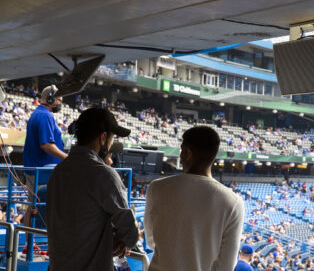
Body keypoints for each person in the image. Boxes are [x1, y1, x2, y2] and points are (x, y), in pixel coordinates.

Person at [46, 108, 138, 271]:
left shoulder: (58, 172)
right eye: (112, 138)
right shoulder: (103, 174)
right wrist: (121, 240)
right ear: (103, 137)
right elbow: (130, 233)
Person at [145, 126, 244, 271]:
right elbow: (226, 266)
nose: (180, 156)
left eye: (181, 151)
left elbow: (150, 241)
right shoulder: (233, 202)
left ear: (187, 153)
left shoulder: (157, 188)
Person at [23, 85, 67, 224]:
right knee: (34, 207)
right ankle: (29, 243)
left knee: (32, 206)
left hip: (38, 170)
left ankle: (29, 243)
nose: (60, 103)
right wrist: (67, 158)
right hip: (41, 171)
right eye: (59, 100)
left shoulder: (40, 113)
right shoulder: (45, 115)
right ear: (50, 98)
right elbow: (46, 145)